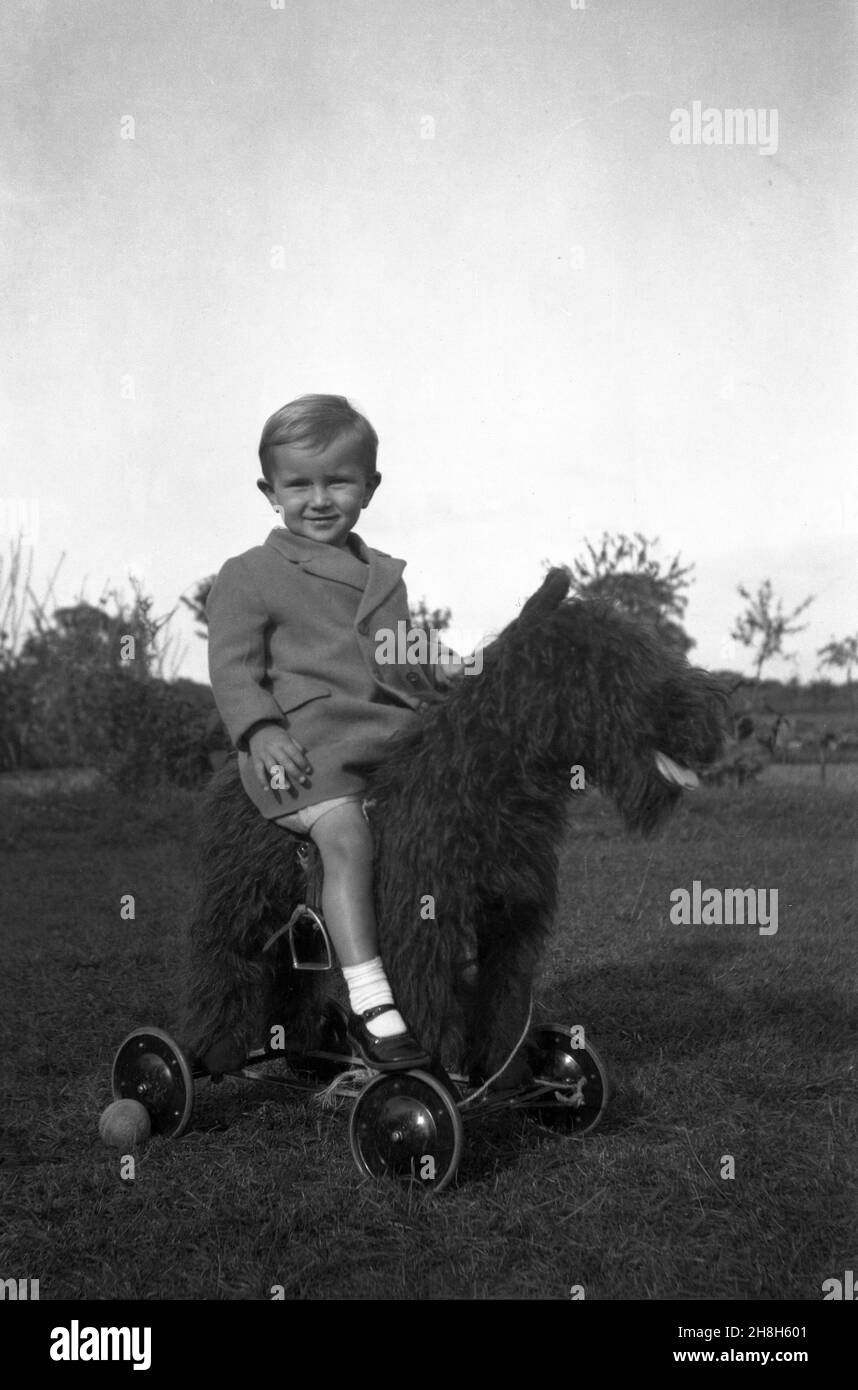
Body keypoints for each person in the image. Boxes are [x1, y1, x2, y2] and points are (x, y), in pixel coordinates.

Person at [206, 394, 462, 1070]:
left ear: (370, 487)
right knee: (346, 836)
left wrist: (452, 683)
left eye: (339, 481)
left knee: (460, 826)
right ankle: (373, 1002)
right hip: (306, 752)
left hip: (389, 745)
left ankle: (450, 983)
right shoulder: (250, 576)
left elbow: (408, 663)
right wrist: (261, 733)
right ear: (271, 491)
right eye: (299, 484)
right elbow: (234, 673)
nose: (320, 500)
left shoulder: (385, 578)